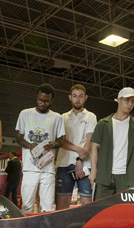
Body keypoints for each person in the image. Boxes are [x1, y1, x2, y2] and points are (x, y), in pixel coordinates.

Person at [89, 87, 134, 200]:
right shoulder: (103, 124)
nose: (130, 104)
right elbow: (94, 147)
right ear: (118, 100)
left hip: (129, 177)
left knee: (127, 209)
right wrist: (94, 170)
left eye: (133, 102)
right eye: (127, 100)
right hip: (105, 175)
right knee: (102, 208)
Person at [16, 84, 64, 213]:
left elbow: (61, 141)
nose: (42, 103)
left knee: (47, 208)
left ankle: (46, 227)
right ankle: (26, 226)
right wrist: (29, 145)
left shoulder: (57, 117)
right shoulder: (25, 114)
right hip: (29, 168)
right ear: (36, 97)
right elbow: (18, 138)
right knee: (26, 206)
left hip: (48, 169)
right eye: (40, 99)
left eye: (46, 101)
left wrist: (53, 145)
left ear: (52, 100)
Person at [55, 84, 96, 209]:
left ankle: (87, 223)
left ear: (85, 98)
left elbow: (90, 140)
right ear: (70, 97)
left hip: (85, 164)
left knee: (86, 203)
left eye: (81, 96)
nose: (77, 99)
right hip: (64, 164)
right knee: (62, 204)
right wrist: (78, 149)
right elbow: (61, 141)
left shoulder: (91, 116)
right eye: (75, 96)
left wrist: (79, 160)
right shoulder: (62, 117)